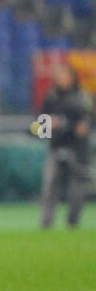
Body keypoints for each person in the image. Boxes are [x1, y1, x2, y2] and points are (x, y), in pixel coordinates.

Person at [36, 62, 92, 229]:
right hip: (56, 145)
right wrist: (48, 125)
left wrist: (84, 125)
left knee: (77, 187)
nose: (60, 78)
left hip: (77, 148)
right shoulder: (51, 97)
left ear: (72, 77)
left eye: (64, 75)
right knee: (49, 185)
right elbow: (40, 124)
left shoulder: (83, 97)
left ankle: (73, 221)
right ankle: (46, 221)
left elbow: (89, 121)